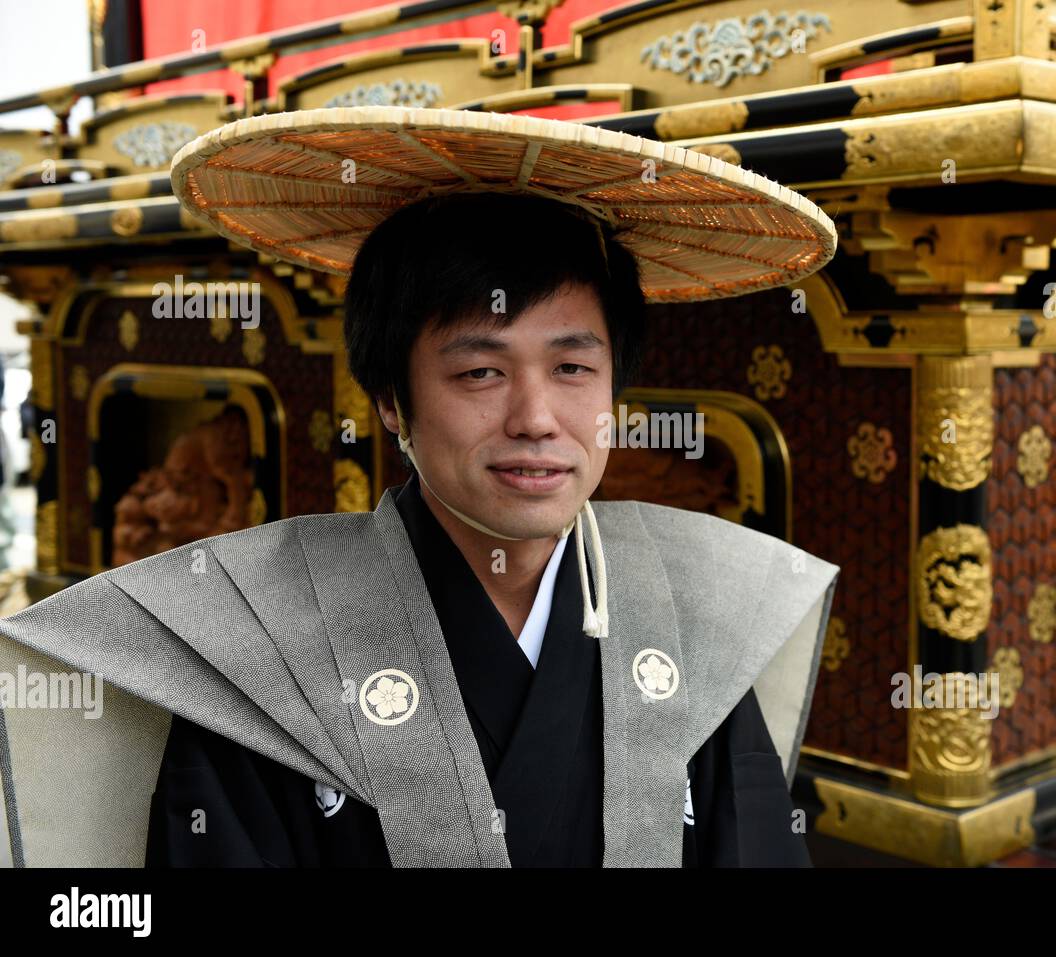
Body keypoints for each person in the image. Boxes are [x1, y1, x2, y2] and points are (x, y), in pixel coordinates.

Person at [0, 107, 841, 868]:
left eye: (574, 367)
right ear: (392, 401)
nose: (537, 417)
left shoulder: (692, 620)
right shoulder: (259, 652)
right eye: (480, 370)